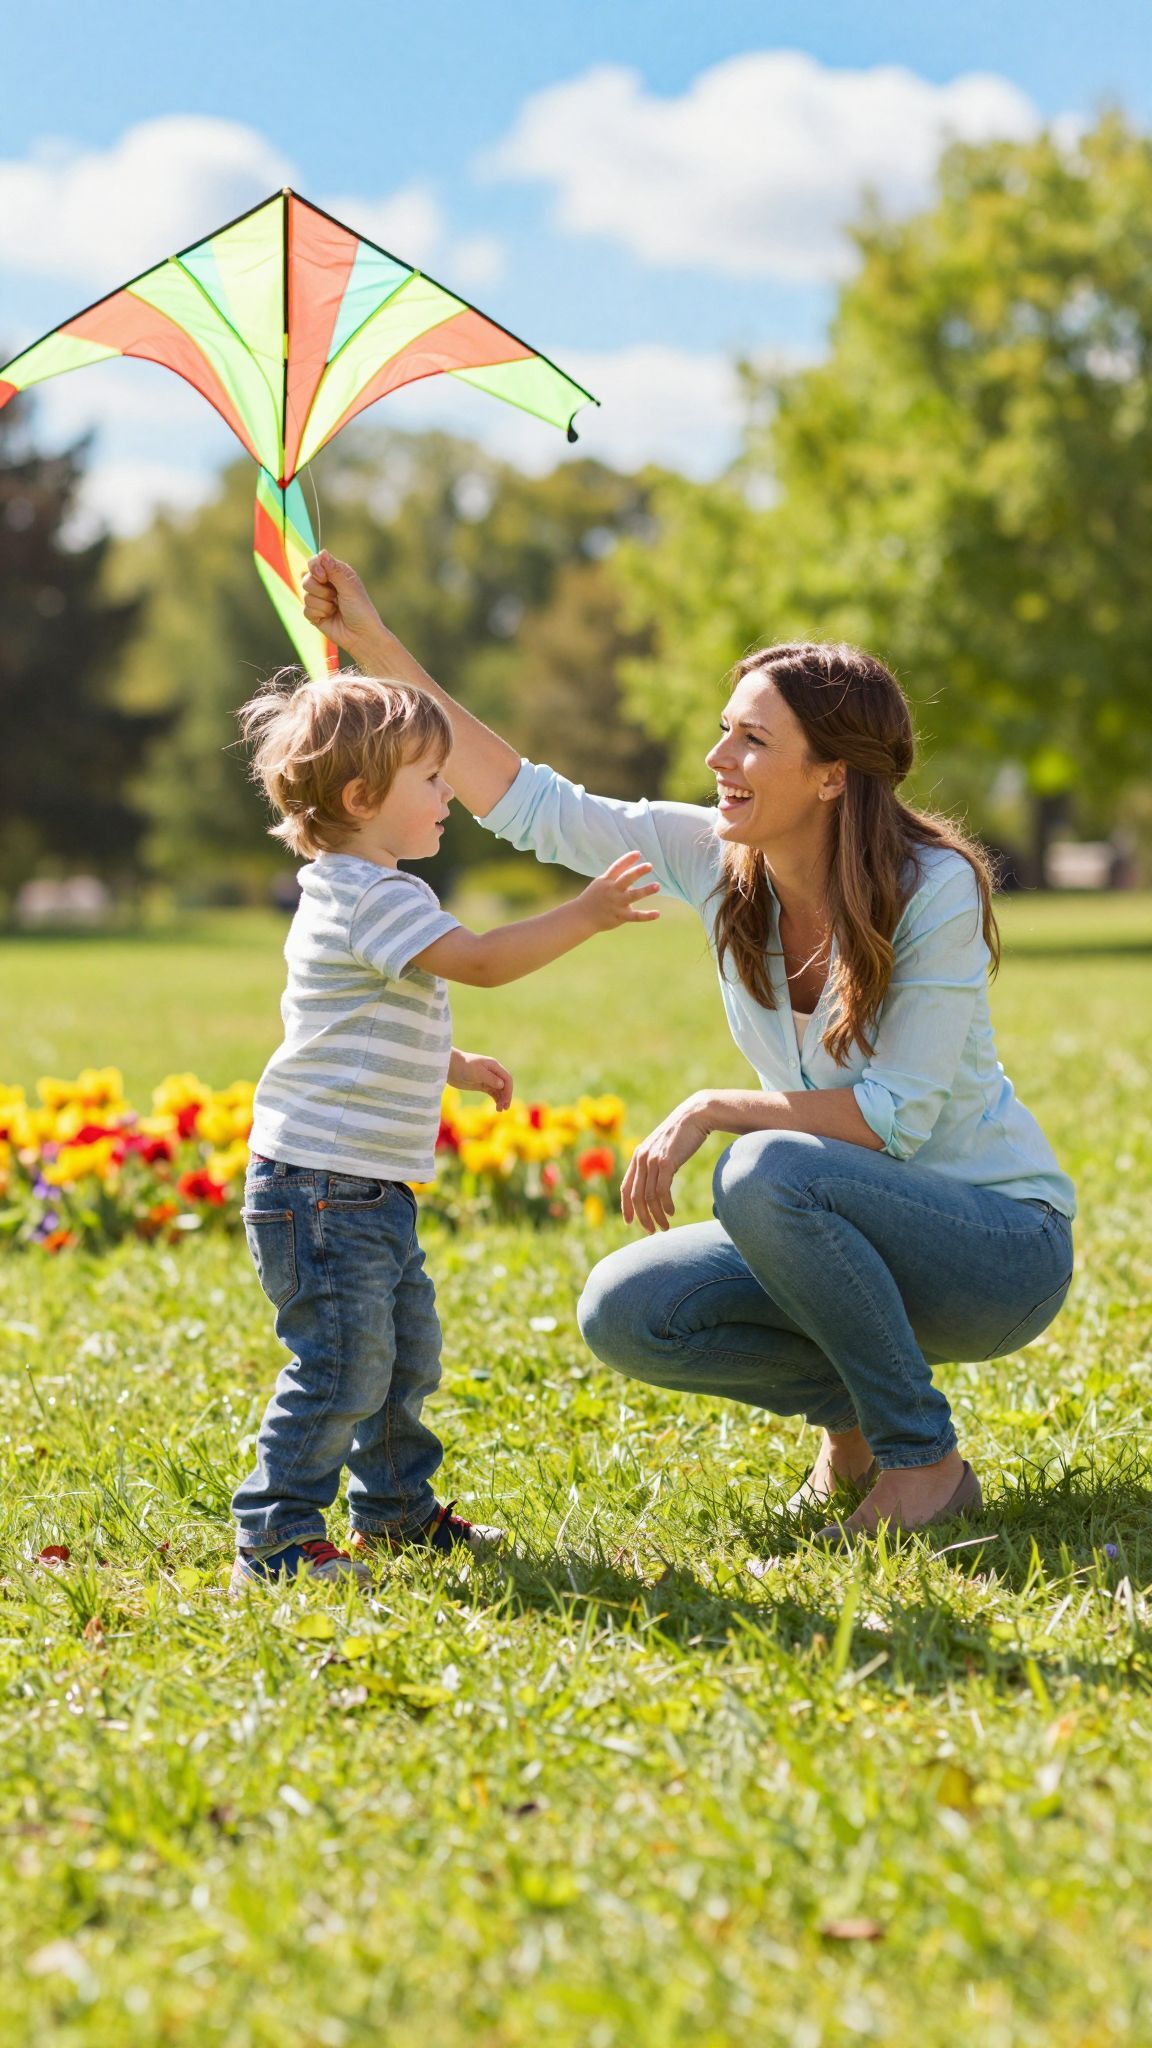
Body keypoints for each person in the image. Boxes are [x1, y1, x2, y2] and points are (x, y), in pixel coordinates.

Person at [301, 555, 1077, 1547]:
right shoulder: (716, 858)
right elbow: (530, 803)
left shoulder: (934, 888)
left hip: (996, 1248)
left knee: (766, 1169)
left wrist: (711, 1106)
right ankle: (853, 1435)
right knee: (629, 1306)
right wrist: (372, 643)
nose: (718, 757)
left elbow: (895, 1119)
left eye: (752, 739)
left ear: (832, 776)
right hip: (846, 1226)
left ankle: (923, 1463)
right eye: (724, 729)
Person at [230, 668, 658, 1590]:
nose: (449, 795)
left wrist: (450, 1065)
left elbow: (358, 1017)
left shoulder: (356, 889)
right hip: (324, 1187)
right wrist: (585, 913)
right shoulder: (372, 896)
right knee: (344, 1366)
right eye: (430, 778)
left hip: (357, 1186)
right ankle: (274, 1534)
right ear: (361, 799)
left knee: (400, 1357)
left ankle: (394, 1514)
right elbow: (483, 962)